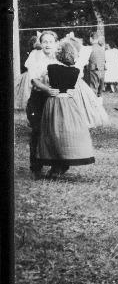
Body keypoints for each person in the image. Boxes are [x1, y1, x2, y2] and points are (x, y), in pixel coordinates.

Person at [36, 41, 96, 178]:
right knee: (67, 130)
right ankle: (64, 161)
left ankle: (56, 162)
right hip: (69, 103)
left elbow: (41, 79)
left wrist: (49, 88)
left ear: (59, 54)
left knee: (53, 130)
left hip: (54, 101)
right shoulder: (76, 71)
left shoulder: (50, 67)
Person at [26, 31, 59, 179]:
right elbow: (34, 79)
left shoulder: (60, 58)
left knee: (56, 132)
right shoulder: (34, 57)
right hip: (38, 98)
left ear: (55, 43)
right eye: (44, 41)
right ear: (41, 43)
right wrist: (48, 89)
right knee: (37, 131)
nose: (47, 44)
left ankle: (57, 167)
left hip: (56, 99)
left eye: (50, 41)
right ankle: (36, 168)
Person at [15, 35, 46, 111]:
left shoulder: (41, 52)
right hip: (32, 74)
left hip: (40, 73)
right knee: (29, 91)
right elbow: (27, 65)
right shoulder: (34, 53)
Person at [84, 31, 106, 97]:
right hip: (102, 71)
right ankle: (99, 105)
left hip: (93, 70)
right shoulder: (102, 49)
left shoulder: (90, 48)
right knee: (100, 91)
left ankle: (92, 106)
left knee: (92, 90)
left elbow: (84, 61)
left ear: (91, 38)